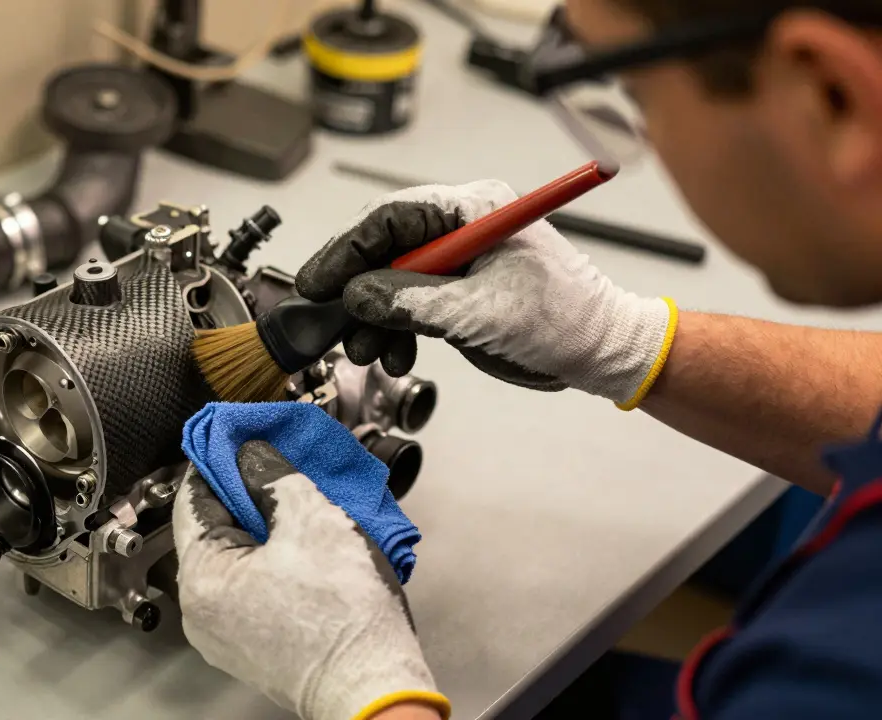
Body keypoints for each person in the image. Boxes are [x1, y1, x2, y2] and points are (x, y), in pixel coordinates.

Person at [172, 0, 882, 718]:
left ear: (834, 95)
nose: (645, 141)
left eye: (635, 97)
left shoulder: (838, 662)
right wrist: (621, 339)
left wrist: (359, 685)